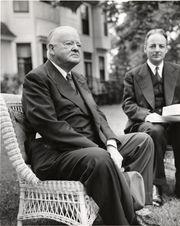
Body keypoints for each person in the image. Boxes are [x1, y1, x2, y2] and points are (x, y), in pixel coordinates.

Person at [22, 26, 154, 225]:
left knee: (142, 141)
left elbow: (98, 115)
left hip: (92, 146)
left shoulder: (78, 78)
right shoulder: (37, 78)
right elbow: (49, 126)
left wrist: (110, 142)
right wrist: (99, 148)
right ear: (50, 49)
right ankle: (124, 222)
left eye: (78, 44)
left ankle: (135, 204)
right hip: (57, 153)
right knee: (100, 158)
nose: (76, 48)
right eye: (69, 44)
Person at [122, 28, 180, 206]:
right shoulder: (133, 75)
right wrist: (148, 116)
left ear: (166, 49)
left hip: (174, 122)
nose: (157, 49)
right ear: (145, 48)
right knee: (155, 131)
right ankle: (157, 186)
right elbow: (128, 104)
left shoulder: (177, 71)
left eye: (161, 46)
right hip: (146, 124)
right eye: (152, 45)